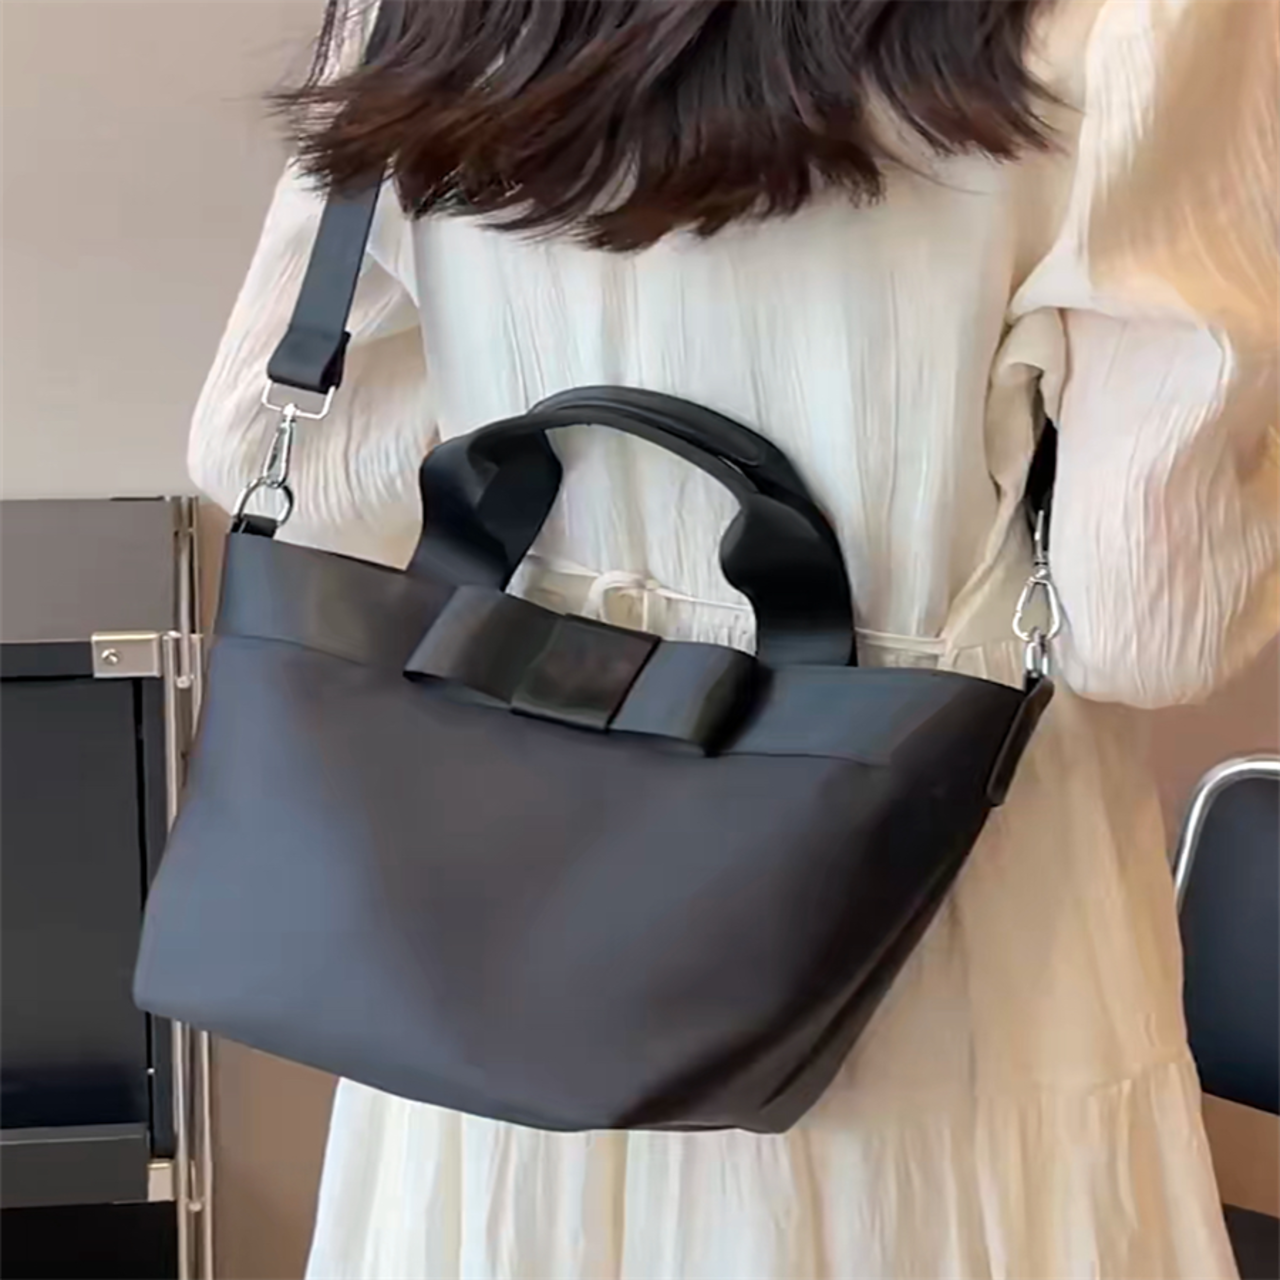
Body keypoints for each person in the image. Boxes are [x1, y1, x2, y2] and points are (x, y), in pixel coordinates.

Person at [191, 0, 1279, 1276]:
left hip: (505, 922)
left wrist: (574, 491)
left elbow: (271, 456)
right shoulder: (1146, 19)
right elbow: (1145, 619)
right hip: (932, 921)